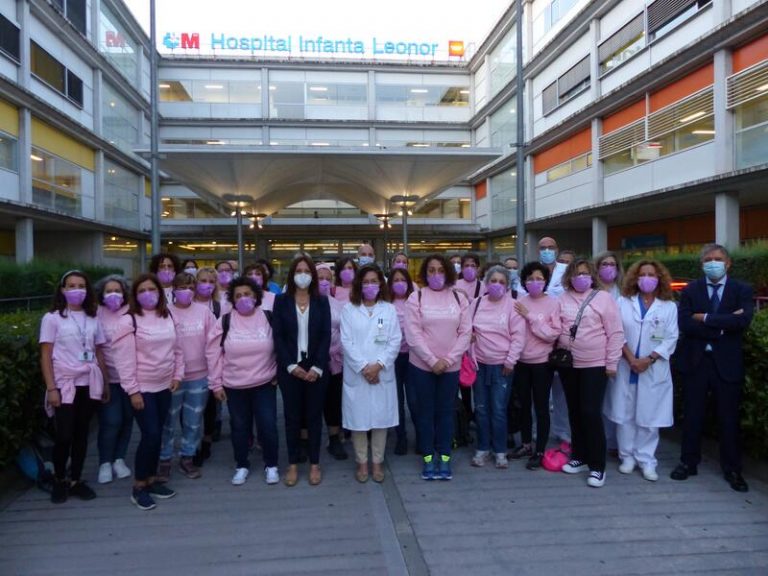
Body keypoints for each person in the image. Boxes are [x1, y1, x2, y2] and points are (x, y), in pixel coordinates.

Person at [672, 243, 754, 492]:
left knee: (728, 419)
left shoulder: (741, 289)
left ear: (728, 263)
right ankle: (688, 462)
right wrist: (723, 325)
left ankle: (732, 469)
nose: (713, 263)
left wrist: (705, 318)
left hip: (726, 364)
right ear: (702, 265)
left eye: (717, 259)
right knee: (692, 415)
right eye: (708, 259)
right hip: (696, 362)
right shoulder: (691, 290)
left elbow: (743, 320)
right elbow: (685, 322)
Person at [111, 273, 183, 510]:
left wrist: (177, 375)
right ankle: (139, 485)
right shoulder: (128, 321)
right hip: (142, 388)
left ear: (160, 292)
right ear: (134, 295)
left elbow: (177, 349)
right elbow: (124, 361)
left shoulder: (167, 315)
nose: (147, 294)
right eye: (141, 290)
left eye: (152, 289)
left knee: (157, 434)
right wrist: (133, 391)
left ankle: (151, 480)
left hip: (164, 385)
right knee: (150, 435)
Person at [605, 260, 678, 482]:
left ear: (660, 279)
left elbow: (671, 337)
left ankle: (647, 460)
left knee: (649, 417)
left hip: (652, 368)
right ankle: (627, 456)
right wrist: (631, 358)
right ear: (635, 278)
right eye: (643, 274)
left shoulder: (668, 306)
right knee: (625, 414)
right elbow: (616, 332)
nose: (647, 278)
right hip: (627, 365)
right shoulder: (622, 302)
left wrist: (648, 359)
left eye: (652, 275)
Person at [40, 270, 108, 503]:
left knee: (81, 434)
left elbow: (99, 351)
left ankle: (76, 479)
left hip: (89, 383)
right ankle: (60, 479)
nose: (76, 290)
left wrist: (105, 383)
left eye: (81, 285)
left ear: (87, 290)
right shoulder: (52, 318)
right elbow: (46, 354)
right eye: (71, 285)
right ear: (62, 289)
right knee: (64, 435)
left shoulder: (93, 317)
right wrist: (51, 388)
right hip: (64, 383)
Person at [554, 259, 623, 488]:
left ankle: (597, 466)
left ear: (592, 276)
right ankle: (579, 457)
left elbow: (615, 333)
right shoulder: (562, 299)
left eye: (584, 273)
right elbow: (555, 328)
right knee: (574, 410)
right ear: (569, 277)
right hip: (569, 365)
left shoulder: (604, 298)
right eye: (576, 274)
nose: (580, 277)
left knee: (591, 412)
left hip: (595, 364)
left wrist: (611, 363)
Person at [206, 276, 280, 486]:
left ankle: (271, 464)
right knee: (239, 427)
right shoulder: (226, 321)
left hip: (264, 383)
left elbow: (281, 346)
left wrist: (278, 373)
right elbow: (213, 353)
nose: (243, 298)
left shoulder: (268, 317)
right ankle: (241, 465)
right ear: (232, 299)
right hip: (234, 385)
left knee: (268, 425)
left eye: (247, 294)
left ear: (256, 296)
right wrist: (216, 384)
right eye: (238, 295)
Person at [404, 254, 472, 481]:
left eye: (440, 270)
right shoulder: (417, 297)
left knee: (445, 413)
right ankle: (427, 457)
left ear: (448, 273)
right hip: (422, 367)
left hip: (450, 368)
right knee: (425, 414)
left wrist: (449, 359)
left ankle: (444, 456)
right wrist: (432, 361)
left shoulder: (458, 298)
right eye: (431, 270)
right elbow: (413, 334)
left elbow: (465, 332)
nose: (436, 275)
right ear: (425, 273)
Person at [273, 255, 331, 486]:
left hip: (316, 367)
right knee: (292, 418)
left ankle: (315, 464)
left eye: (307, 270)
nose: (303, 274)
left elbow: (326, 335)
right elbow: (277, 336)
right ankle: (293, 463)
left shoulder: (322, 301)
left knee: (315, 418)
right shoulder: (281, 302)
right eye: (299, 270)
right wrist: (290, 366)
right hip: (290, 368)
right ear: (292, 274)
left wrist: (317, 367)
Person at [341, 265, 401, 483]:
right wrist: (365, 367)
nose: (370, 286)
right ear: (358, 284)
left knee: (380, 420)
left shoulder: (389, 309)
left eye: (374, 281)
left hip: (381, 372)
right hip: (358, 373)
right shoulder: (348, 310)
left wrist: (379, 365)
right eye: (365, 282)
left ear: (381, 284)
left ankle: (377, 462)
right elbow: (346, 341)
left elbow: (394, 340)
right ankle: (362, 462)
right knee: (358, 421)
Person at [158, 272, 215, 481]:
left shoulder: (205, 312)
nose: (187, 291)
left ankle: (187, 457)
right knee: (168, 421)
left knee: (193, 421)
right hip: (172, 377)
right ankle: (164, 459)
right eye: (182, 287)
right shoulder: (165, 313)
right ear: (173, 288)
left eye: (191, 287)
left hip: (199, 375)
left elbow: (214, 343)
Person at [470, 265, 524, 469]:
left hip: (502, 366)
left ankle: (500, 450)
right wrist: (470, 342)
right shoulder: (475, 304)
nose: (497, 285)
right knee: (482, 409)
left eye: (502, 282)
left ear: (508, 285)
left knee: (499, 409)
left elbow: (519, 336)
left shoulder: (513, 305)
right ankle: (483, 447)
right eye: (494, 281)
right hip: (479, 365)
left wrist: (510, 361)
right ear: (486, 282)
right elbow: (466, 329)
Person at [512, 262, 559, 469]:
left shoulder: (553, 304)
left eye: (539, 279)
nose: (535, 282)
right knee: (523, 406)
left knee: (541, 408)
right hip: (521, 362)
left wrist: (530, 318)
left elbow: (552, 335)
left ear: (546, 281)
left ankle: (540, 449)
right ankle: (525, 444)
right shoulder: (519, 302)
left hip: (543, 364)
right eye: (530, 279)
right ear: (524, 281)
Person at [95, 274, 133, 485]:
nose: (113, 295)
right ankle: (105, 462)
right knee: (111, 421)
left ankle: (119, 458)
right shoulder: (96, 313)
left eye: (118, 290)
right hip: (107, 377)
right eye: (109, 291)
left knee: (127, 419)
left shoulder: (131, 312)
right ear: (102, 294)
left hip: (130, 377)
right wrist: (103, 379)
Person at [317, 263, 349, 460]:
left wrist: (336, 351)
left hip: (335, 360)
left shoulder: (337, 304)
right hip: (312, 361)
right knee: (312, 402)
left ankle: (334, 438)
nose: (324, 282)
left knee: (334, 401)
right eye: (320, 278)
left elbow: (344, 331)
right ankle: (307, 440)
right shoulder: (306, 303)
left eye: (327, 278)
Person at [594, 251, 624, 458]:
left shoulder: (624, 291)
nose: (608, 267)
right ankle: (599, 440)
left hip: (620, 351)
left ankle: (614, 442)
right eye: (604, 264)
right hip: (594, 352)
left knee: (616, 397)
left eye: (612, 264)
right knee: (596, 399)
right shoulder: (591, 291)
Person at [193, 267, 222, 466]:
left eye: (211, 281)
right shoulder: (187, 304)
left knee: (211, 405)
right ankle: (192, 444)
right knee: (193, 409)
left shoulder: (220, 306)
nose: (207, 285)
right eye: (203, 281)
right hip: (191, 365)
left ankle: (207, 440)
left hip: (213, 362)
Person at [387, 266, 417, 455]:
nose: (400, 284)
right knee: (396, 400)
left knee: (415, 400)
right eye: (395, 280)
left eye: (403, 280)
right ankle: (401, 437)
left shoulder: (415, 301)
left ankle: (421, 436)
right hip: (393, 358)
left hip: (414, 356)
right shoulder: (385, 303)